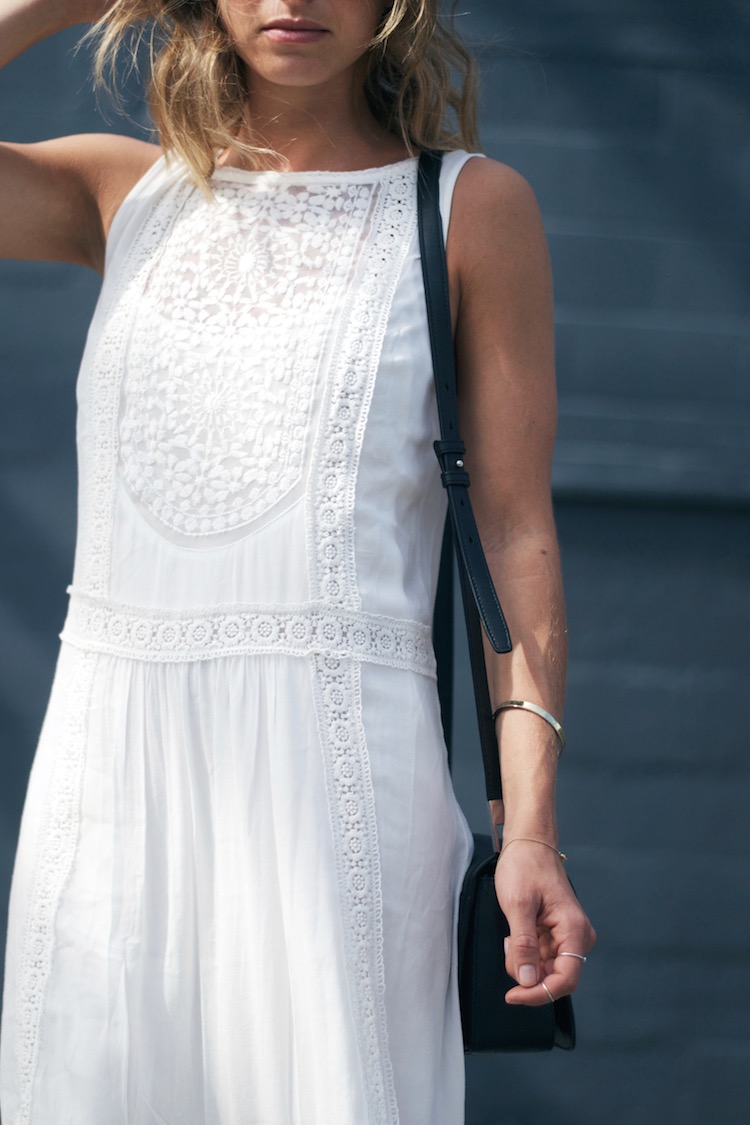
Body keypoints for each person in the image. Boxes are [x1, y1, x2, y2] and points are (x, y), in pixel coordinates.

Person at [0, 1, 596, 1122]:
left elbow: (515, 533)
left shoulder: (468, 207)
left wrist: (530, 832)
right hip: (112, 775)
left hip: (339, 781)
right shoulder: (121, 193)